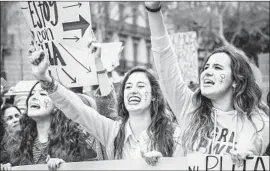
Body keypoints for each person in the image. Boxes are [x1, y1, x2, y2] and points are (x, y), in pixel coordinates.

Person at [145, 1, 269, 166]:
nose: (208, 72)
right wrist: (153, 10)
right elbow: (165, 61)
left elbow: (251, 143)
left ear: (236, 81)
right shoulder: (190, 109)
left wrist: (247, 154)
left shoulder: (259, 121)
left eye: (218, 68)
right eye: (206, 67)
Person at [27, 42, 184, 166]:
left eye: (141, 86)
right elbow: (77, 109)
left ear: (154, 96)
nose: (133, 91)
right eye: (128, 87)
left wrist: (166, 164)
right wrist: (45, 78)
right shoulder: (112, 132)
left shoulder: (174, 135)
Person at [0, 81, 103, 171]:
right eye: (32, 94)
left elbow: (92, 166)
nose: (34, 97)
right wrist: (7, 167)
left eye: (43, 94)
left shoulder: (75, 140)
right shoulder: (16, 142)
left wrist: (65, 167)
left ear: (57, 106)